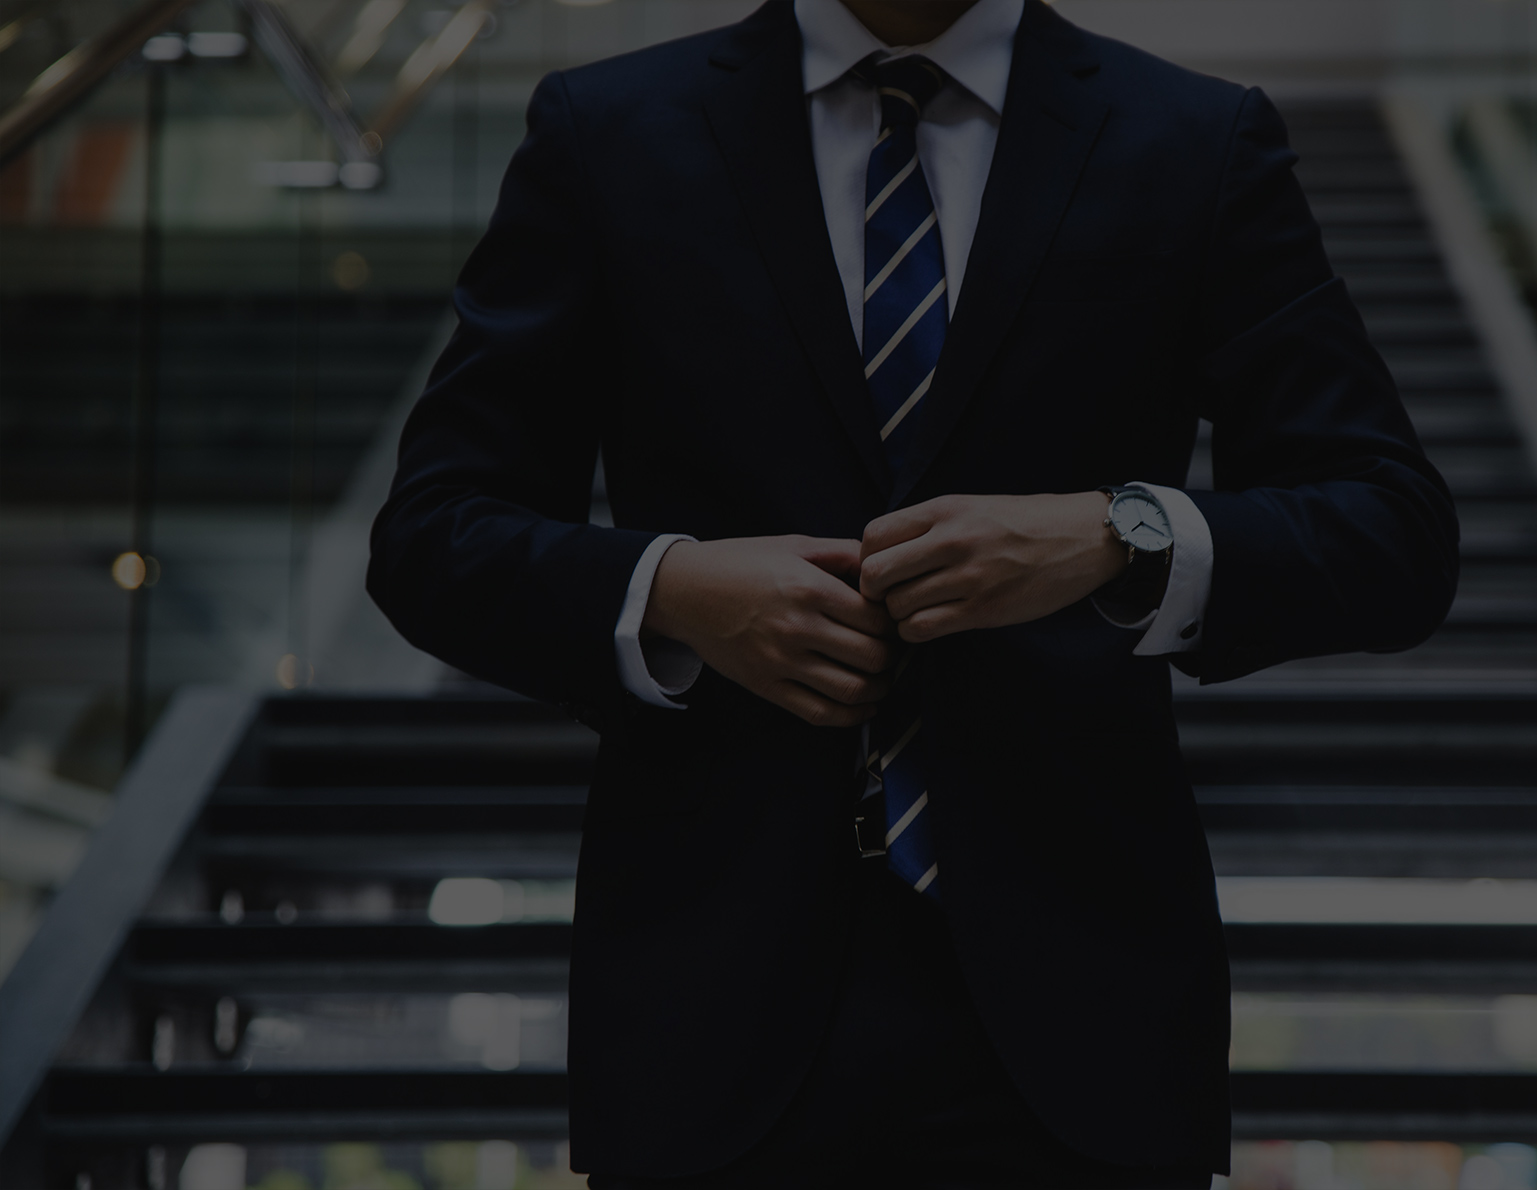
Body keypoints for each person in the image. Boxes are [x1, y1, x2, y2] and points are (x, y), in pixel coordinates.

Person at [368, 0, 1458, 1183]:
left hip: (1080, 1010)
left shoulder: (1191, 136)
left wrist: (1118, 532)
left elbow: (1391, 528)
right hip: (709, 999)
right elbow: (433, 533)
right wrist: (671, 588)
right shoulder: (609, 129)